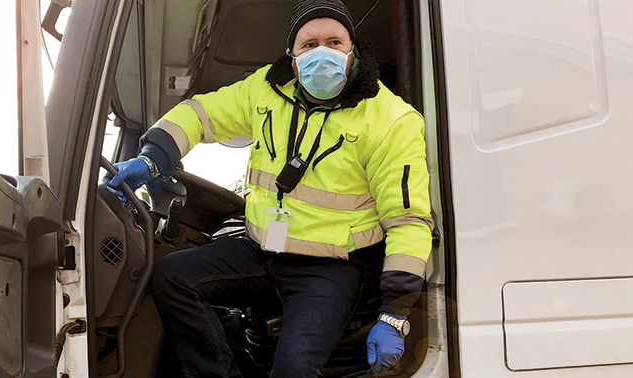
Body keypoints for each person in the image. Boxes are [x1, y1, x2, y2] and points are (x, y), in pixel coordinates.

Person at [105, 0, 433, 376]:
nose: (322, 53)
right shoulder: (266, 90)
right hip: (263, 248)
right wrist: (152, 157)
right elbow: (199, 113)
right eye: (309, 45)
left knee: (293, 370)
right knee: (171, 276)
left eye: (334, 42)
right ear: (292, 57)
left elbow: (408, 222)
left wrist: (395, 313)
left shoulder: (392, 119)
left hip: (329, 268)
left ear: (352, 51)